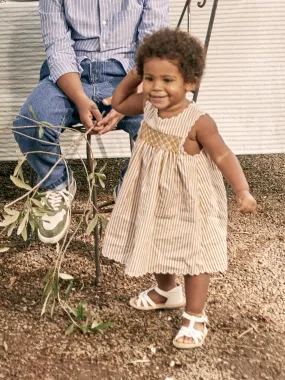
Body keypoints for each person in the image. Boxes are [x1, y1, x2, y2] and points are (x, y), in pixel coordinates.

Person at [102, 28, 257, 349]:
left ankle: (195, 315)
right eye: (150, 78)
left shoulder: (198, 121)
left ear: (190, 81)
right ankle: (167, 291)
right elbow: (117, 102)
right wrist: (135, 74)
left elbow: (224, 154)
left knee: (193, 254)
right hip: (154, 196)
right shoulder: (147, 104)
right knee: (157, 239)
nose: (157, 87)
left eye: (168, 80)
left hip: (190, 201)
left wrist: (242, 190)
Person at [12, 0, 170, 244]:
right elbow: (58, 49)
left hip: (130, 76)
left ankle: (131, 188)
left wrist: (128, 99)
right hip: (71, 75)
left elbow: (154, 47)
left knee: (167, 126)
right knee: (30, 122)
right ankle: (57, 185)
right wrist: (79, 98)